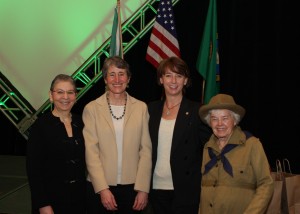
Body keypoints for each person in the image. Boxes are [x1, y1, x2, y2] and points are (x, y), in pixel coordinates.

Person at [83, 56, 152, 214]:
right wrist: (102, 189)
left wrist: (143, 189)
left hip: (133, 189)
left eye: (122, 74)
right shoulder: (92, 108)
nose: (117, 79)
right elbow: (91, 152)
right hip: (100, 188)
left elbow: (146, 151)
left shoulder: (141, 108)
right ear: (105, 79)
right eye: (112, 74)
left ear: (128, 78)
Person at [147, 56, 212, 214]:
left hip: (186, 189)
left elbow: (210, 147)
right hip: (154, 188)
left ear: (186, 80)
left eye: (179, 76)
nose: (173, 81)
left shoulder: (198, 111)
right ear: (161, 80)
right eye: (168, 75)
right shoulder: (150, 109)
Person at [198, 93, 274, 214]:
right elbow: (204, 189)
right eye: (214, 119)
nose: (219, 124)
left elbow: (266, 184)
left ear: (235, 120)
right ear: (209, 122)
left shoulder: (252, 145)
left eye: (225, 118)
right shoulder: (207, 148)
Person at [26, 74, 86, 214]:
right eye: (60, 92)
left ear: (75, 96)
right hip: (51, 203)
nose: (65, 97)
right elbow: (33, 170)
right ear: (51, 95)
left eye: (70, 92)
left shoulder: (82, 123)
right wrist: (43, 204)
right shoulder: (40, 126)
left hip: (79, 201)